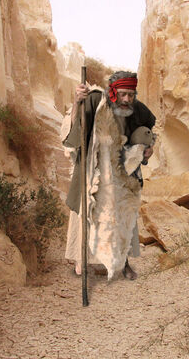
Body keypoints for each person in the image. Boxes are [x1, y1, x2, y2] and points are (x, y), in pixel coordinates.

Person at [62, 71, 156, 280]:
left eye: (130, 95)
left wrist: (148, 149)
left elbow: (148, 131)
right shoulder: (96, 100)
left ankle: (122, 261)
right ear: (113, 91)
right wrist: (78, 102)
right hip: (94, 167)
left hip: (120, 169)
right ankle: (82, 259)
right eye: (122, 94)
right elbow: (76, 129)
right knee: (88, 211)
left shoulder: (136, 108)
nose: (126, 99)